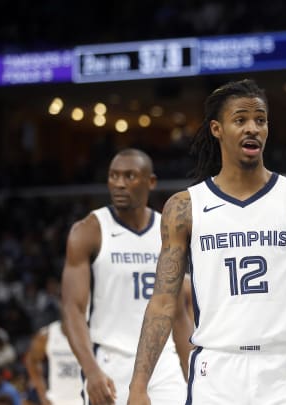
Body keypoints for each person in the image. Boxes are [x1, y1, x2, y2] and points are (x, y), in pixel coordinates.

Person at [127, 79, 286, 405]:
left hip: (283, 369)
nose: (252, 128)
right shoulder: (184, 207)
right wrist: (138, 385)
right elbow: (162, 302)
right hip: (217, 372)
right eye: (240, 120)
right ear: (217, 128)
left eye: (260, 119)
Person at [61, 149, 192, 405]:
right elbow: (72, 310)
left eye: (129, 176)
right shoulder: (89, 230)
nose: (119, 183)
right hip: (111, 362)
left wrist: (194, 374)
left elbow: (178, 313)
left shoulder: (168, 232)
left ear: (150, 182)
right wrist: (91, 371)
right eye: (113, 176)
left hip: (164, 363)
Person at [24, 320, 83, 405]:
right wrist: (43, 395)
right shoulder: (47, 334)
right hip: (56, 400)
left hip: (85, 398)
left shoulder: (93, 332)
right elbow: (31, 361)